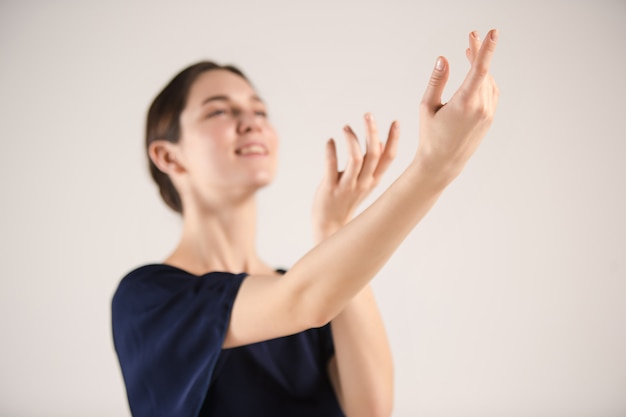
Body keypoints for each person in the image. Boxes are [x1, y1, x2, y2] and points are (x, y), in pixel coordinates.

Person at [112, 29, 499, 417]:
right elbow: (302, 302)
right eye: (219, 110)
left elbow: (372, 409)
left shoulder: (317, 288)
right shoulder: (148, 298)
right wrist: (434, 167)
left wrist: (333, 229)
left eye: (259, 111)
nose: (251, 121)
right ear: (168, 156)